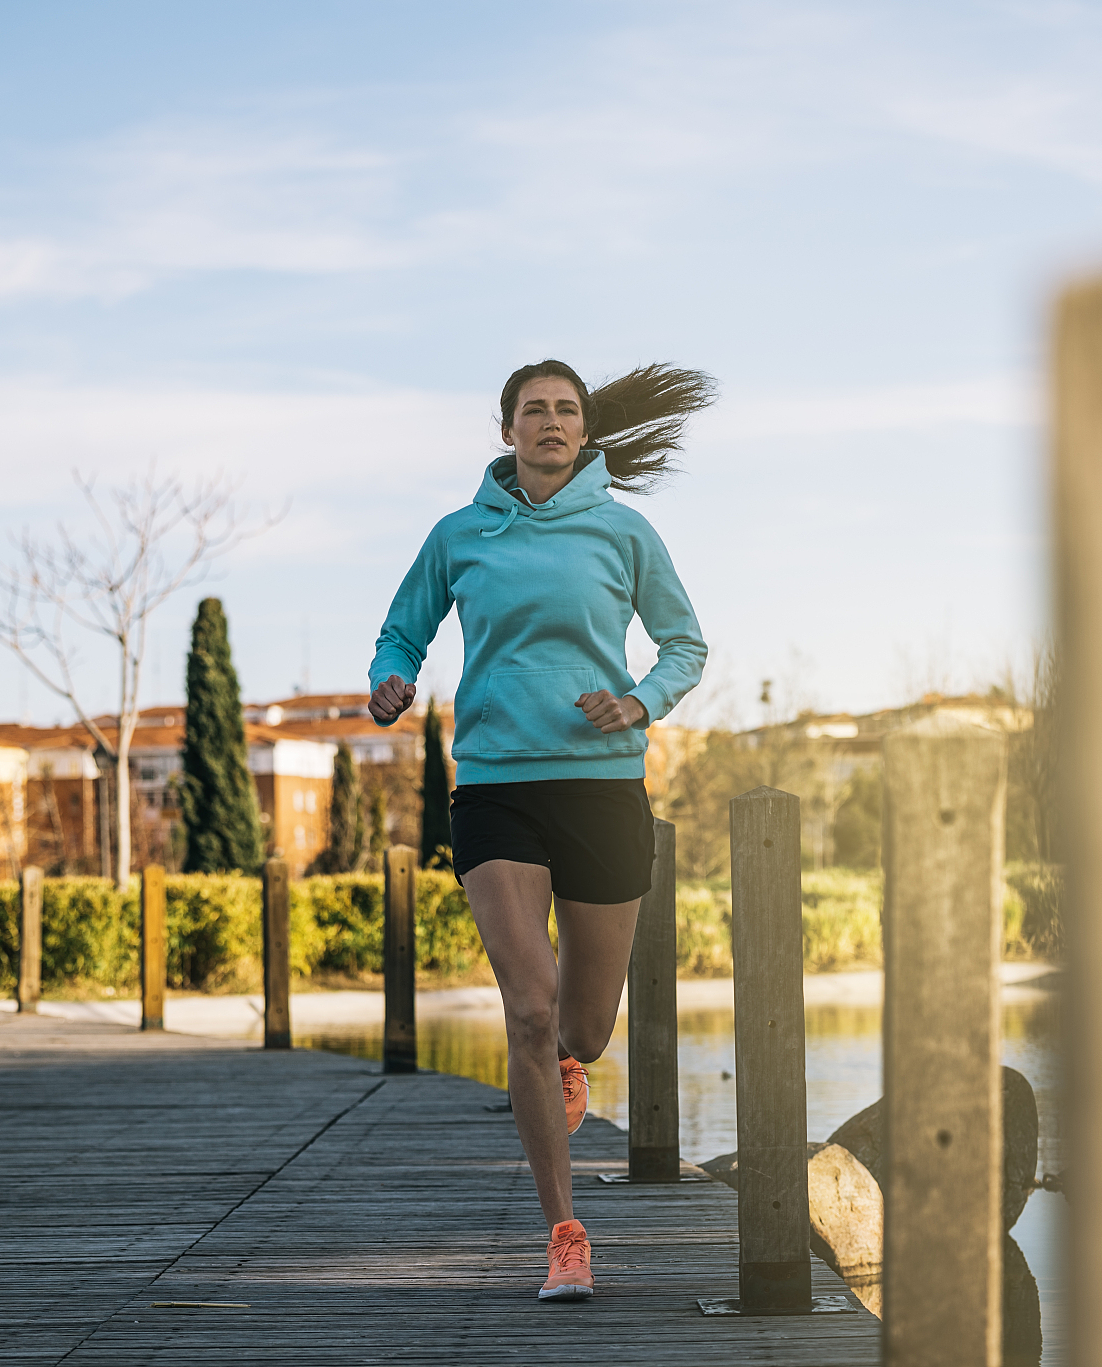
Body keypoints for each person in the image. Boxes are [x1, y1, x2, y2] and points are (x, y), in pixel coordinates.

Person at [367, 359, 712, 1302]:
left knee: (586, 1027)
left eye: (566, 410)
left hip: (601, 786)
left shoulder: (624, 530)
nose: (551, 422)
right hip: (496, 785)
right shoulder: (460, 534)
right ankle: (564, 1230)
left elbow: (686, 643)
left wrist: (639, 703)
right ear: (507, 427)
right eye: (534, 410)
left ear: (584, 428)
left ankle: (565, 1062)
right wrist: (389, 682)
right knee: (527, 1003)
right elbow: (403, 632)